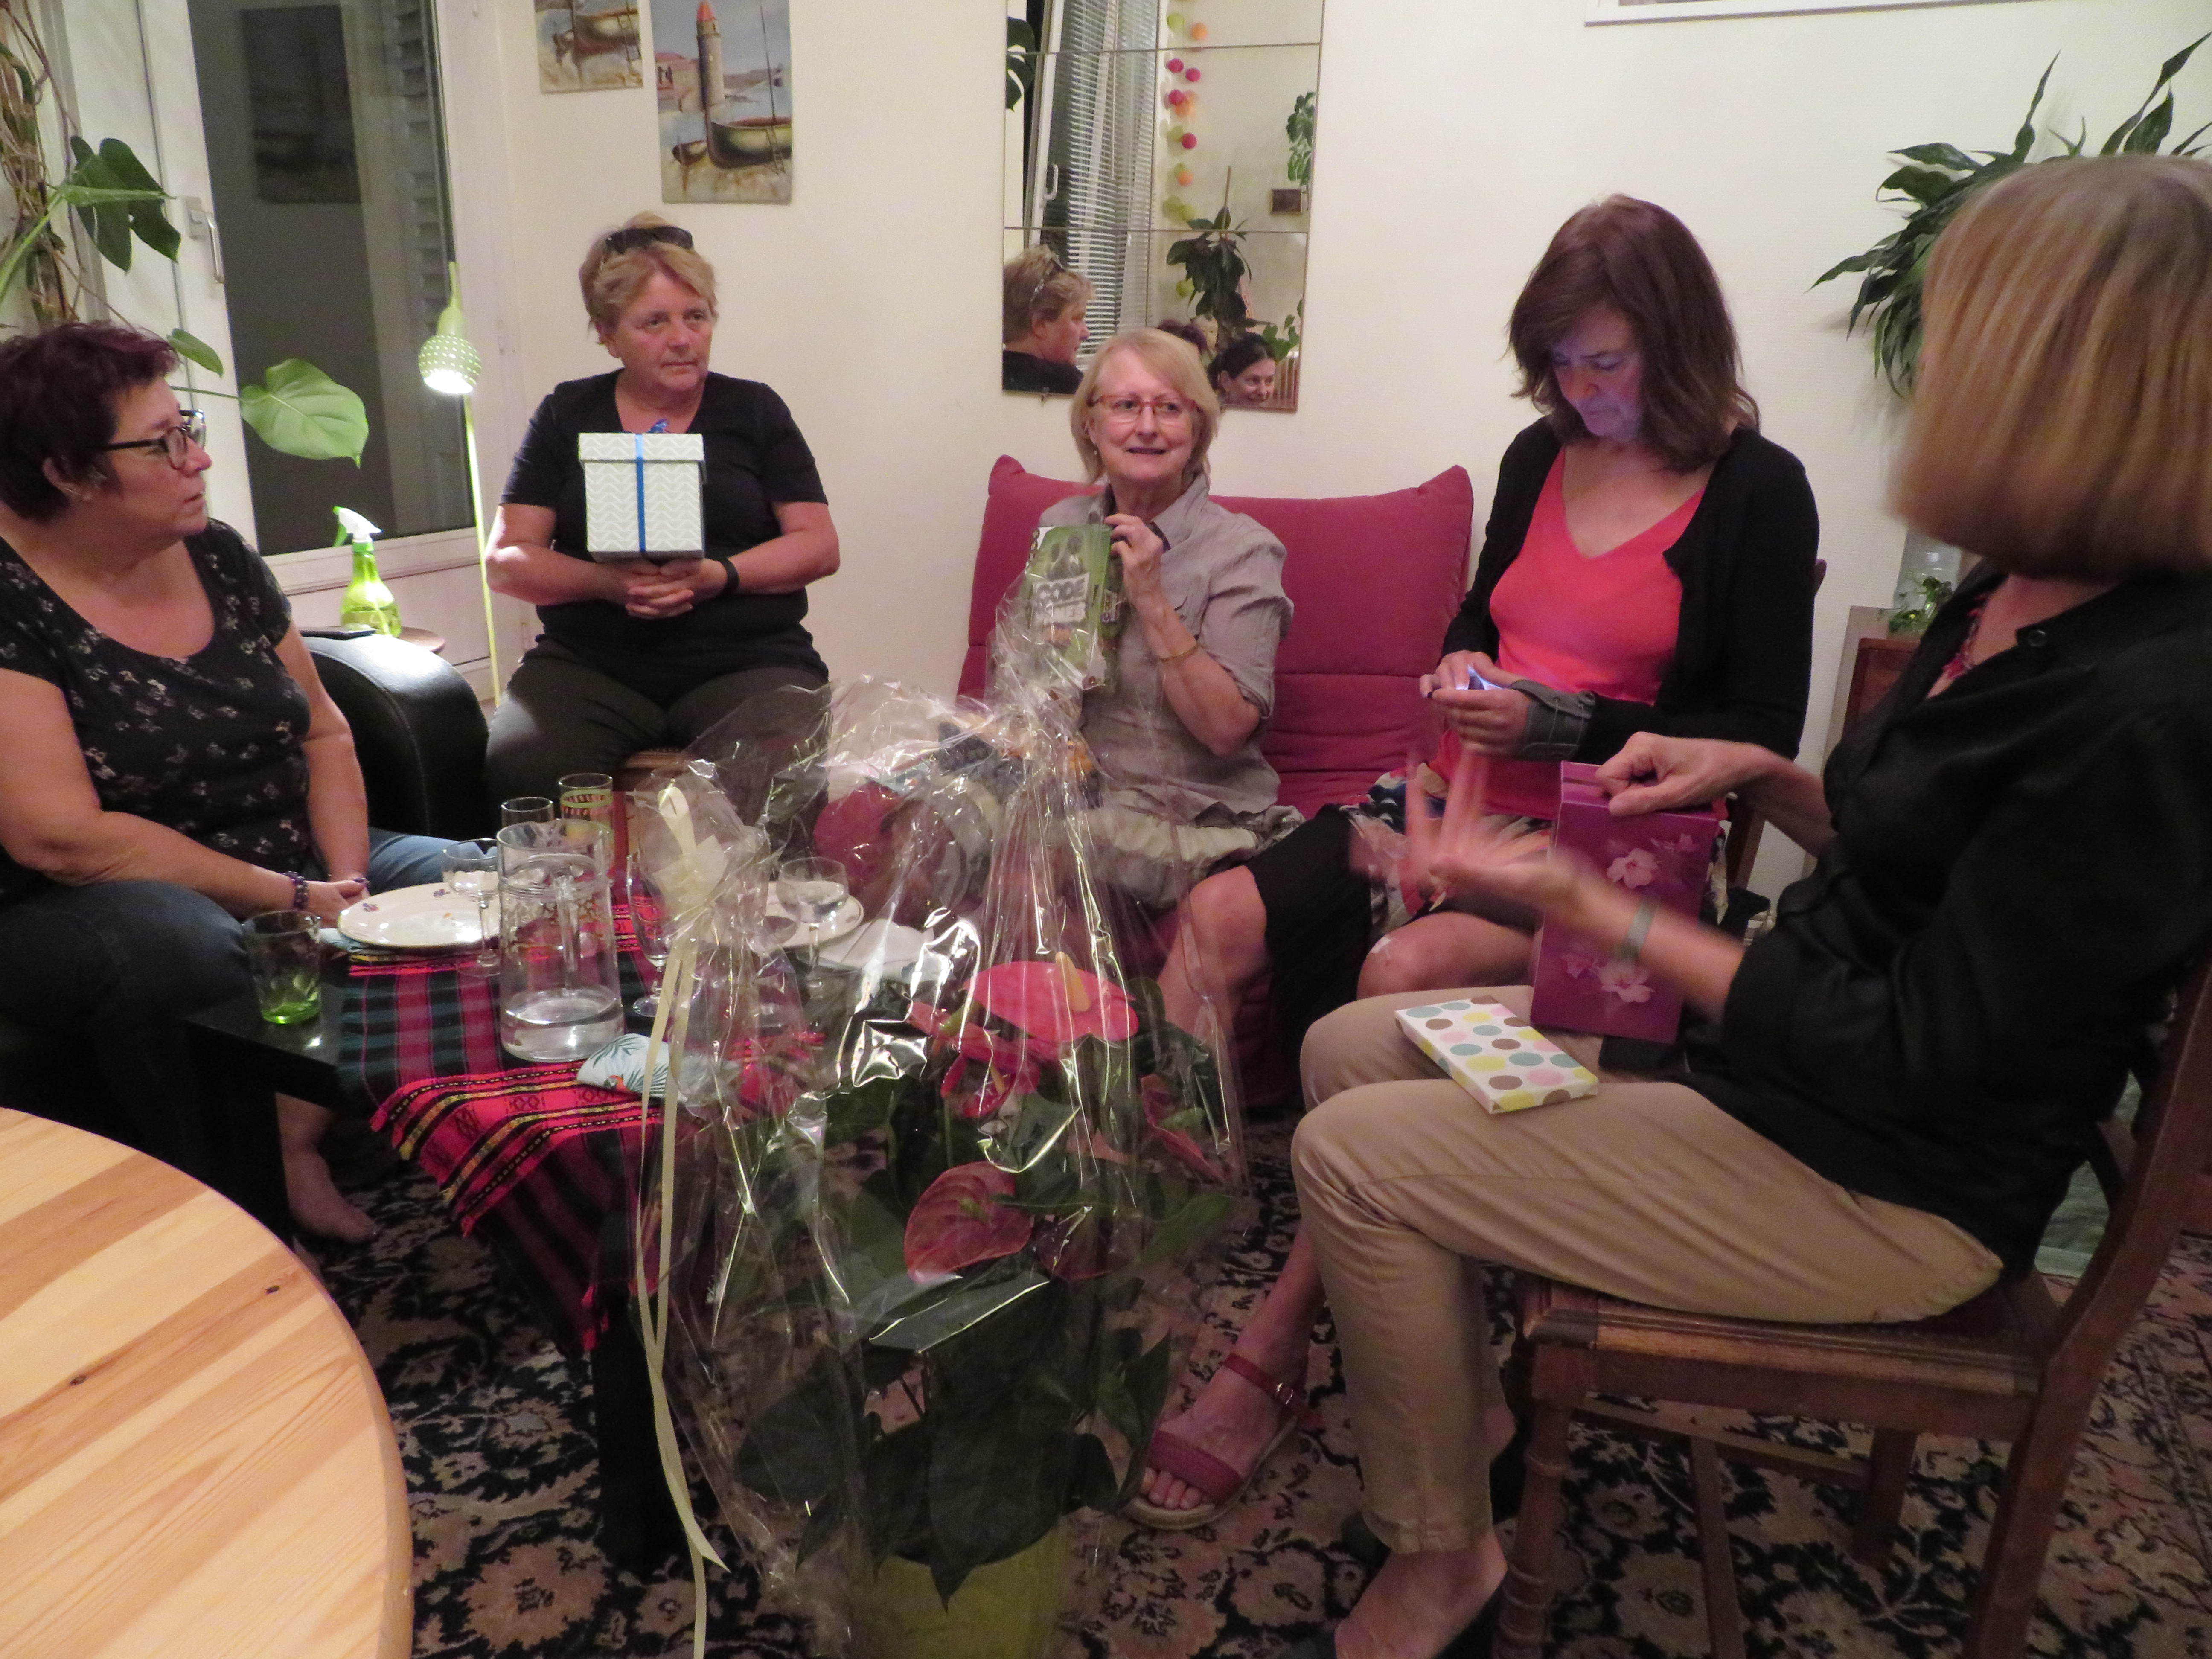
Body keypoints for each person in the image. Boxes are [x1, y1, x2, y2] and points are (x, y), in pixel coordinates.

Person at [1282, 151, 2212, 1659]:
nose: (1932, 379)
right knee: (1349, 1046)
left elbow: (1917, 1051)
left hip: (1884, 1181)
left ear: (2067, 386)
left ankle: (1443, 1560)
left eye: (1964, 342)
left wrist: (1593, 901)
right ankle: (1479, 1438)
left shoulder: (2149, 704)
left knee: (1354, 1158)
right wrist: (1773, 775)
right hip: (1778, 1072)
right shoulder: (2014, 590)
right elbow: (1913, 855)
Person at [1135, 196, 1818, 1526]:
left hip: (1613, 852)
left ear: (1679, 344)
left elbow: (1757, 734)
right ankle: (1154, 1250)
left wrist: (1559, 723)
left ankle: (1274, 1348)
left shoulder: (1758, 489)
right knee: (1219, 915)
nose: (1582, 391)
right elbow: (1478, 617)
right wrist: (1459, 670)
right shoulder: (1539, 453)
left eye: (1607, 362)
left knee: (1403, 975)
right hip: (1451, 796)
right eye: (1560, 362)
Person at [0, 323, 458, 1244]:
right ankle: (241, 1225)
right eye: (163, 442)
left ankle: (478, 1155)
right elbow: (61, 836)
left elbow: (323, 730)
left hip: (294, 858)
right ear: (68, 472)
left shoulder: (215, 554)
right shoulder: (11, 597)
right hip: (97, 901)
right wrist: (294, 900)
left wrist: (349, 888)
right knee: (184, 949)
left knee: (495, 880)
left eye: (190, 428)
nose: (197, 458)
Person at [485, 213, 840, 803]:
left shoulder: (755, 411)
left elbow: (819, 545)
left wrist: (720, 576)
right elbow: (507, 561)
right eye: (655, 322)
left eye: (695, 317)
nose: (682, 339)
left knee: (781, 777)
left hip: (746, 661)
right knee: (524, 769)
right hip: (593, 665)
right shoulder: (566, 414)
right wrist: (608, 584)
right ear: (608, 333)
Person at [1033, 327, 1298, 910]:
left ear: (1198, 428)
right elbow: (1042, 679)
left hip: (1190, 816)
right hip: (1078, 795)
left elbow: (1226, 729)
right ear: (1091, 424)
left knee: (1046, 857)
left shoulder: (1244, 551)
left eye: (1170, 408)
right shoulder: (1064, 528)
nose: (1147, 426)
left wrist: (1151, 598)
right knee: (930, 818)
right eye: (1126, 405)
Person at [1002, 244, 1093, 394]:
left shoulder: (984, 378)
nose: (1086, 333)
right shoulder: (1069, 386)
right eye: (1077, 318)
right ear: (1040, 325)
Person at [1210, 332, 1278, 407]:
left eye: (1269, 381)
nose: (1263, 392)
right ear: (1226, 381)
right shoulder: (1208, 413)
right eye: (1253, 381)